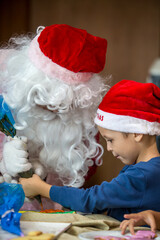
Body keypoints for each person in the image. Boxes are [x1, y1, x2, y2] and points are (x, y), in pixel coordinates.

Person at [0, 24, 109, 210]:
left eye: (65, 106)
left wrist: (41, 176)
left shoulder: (83, 116)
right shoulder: (6, 90)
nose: (56, 111)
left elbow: (84, 170)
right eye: (46, 101)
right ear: (27, 85)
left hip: (50, 216)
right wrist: (4, 161)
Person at [19, 79, 160, 221]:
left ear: (137, 133)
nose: (109, 148)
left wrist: (41, 188)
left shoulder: (142, 175)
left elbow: (90, 199)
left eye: (110, 140)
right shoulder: (145, 170)